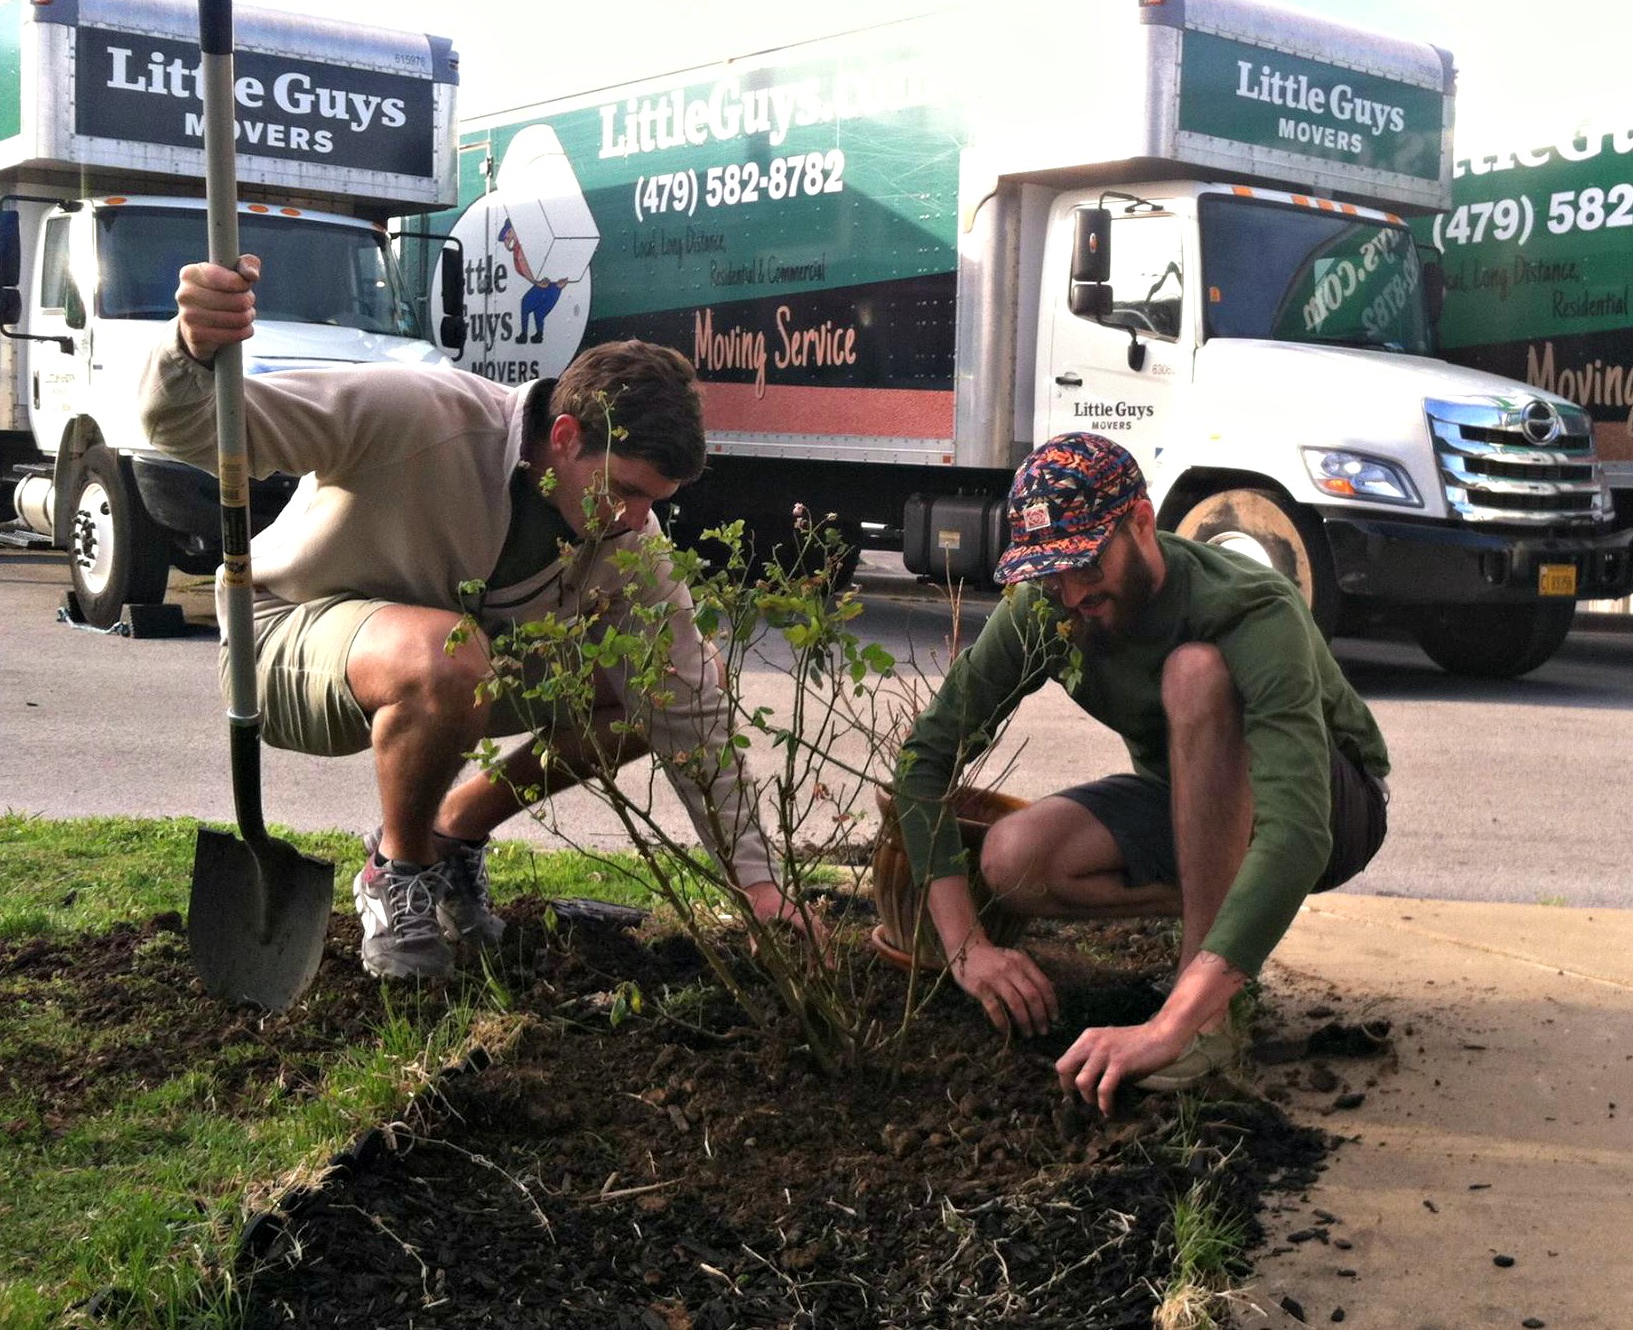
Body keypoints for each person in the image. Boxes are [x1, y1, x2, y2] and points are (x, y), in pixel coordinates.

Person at [141, 254, 820, 978]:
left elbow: (690, 706)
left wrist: (759, 887)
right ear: (564, 438)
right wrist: (192, 345)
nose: (636, 519)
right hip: (285, 647)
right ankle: (397, 874)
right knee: (450, 654)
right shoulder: (416, 412)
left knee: (662, 685)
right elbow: (189, 427)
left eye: (656, 499)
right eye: (623, 489)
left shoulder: (630, 539)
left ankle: (454, 832)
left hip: (449, 667)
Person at [888, 434, 1389, 1113]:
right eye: (1048, 573)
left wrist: (1169, 1023)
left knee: (1195, 673)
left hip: (1330, 804)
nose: (1069, 593)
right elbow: (925, 761)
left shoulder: (1246, 606)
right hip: (1191, 799)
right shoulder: (1047, 608)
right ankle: (1232, 928)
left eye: (1085, 564)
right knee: (1015, 860)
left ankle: (1205, 1017)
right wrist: (965, 947)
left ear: (1141, 524)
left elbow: (1299, 833)